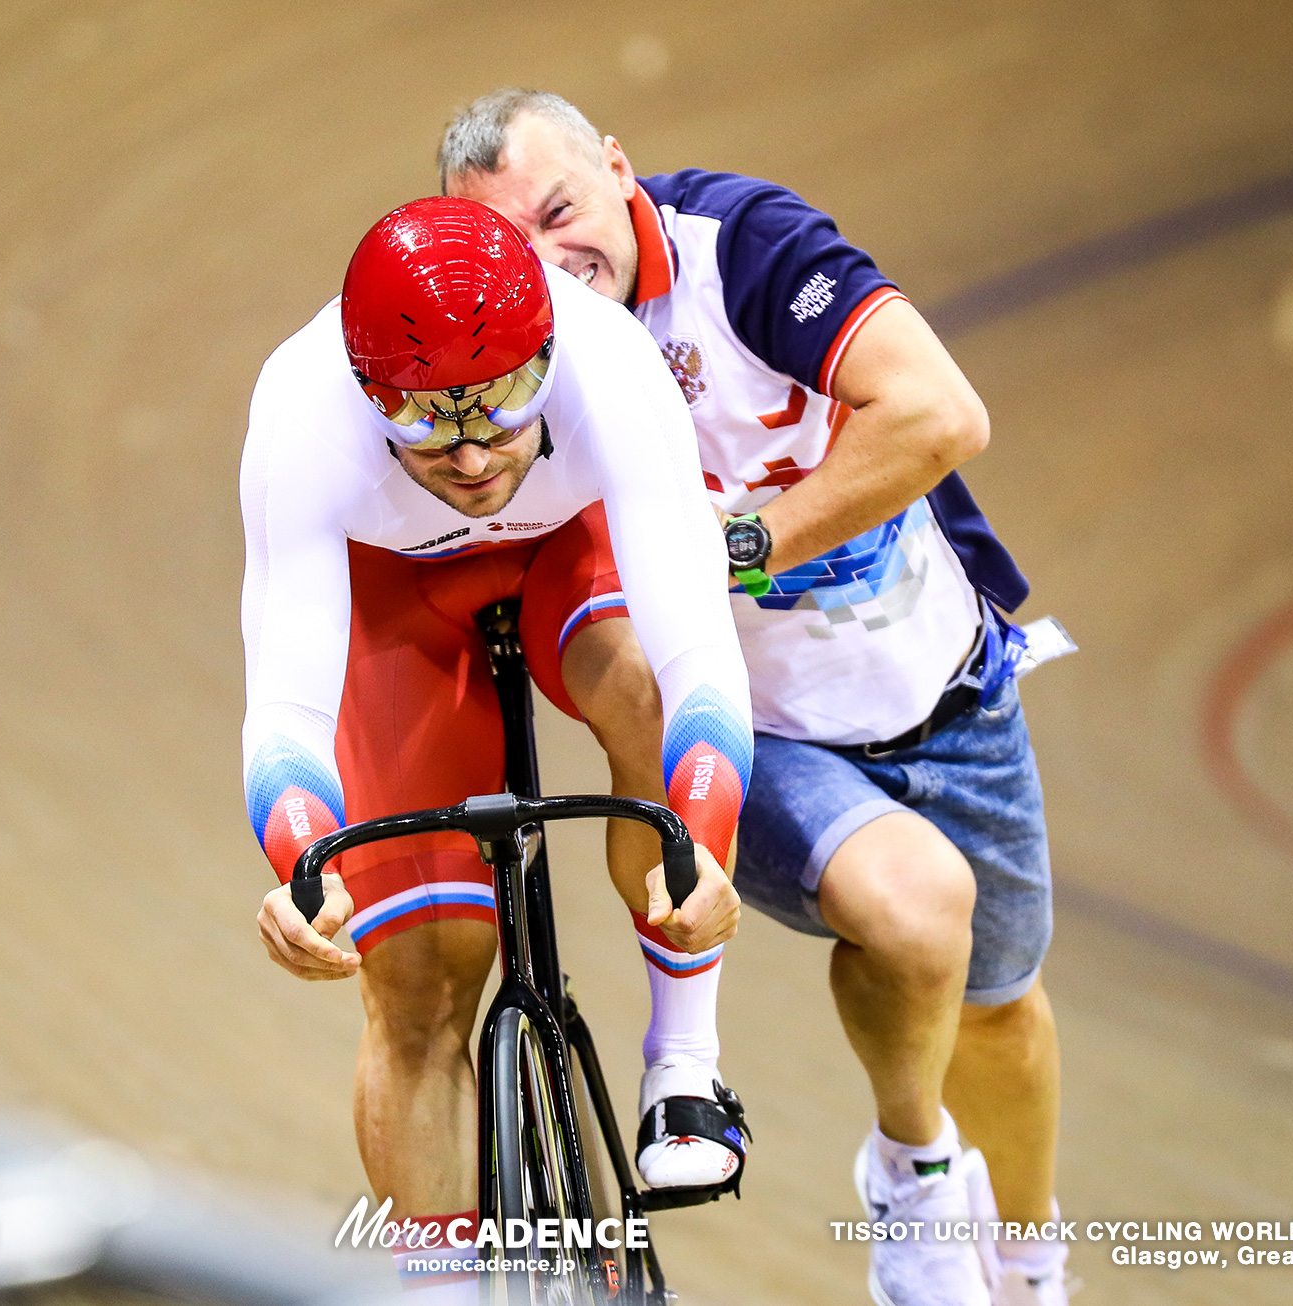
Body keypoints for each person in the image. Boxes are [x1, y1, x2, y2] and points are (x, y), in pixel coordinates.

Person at [441, 90, 1075, 1306]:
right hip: (761, 731)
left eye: (562, 211)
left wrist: (742, 548)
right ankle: (911, 1167)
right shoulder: (520, 354)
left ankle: (1032, 1259)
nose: (551, 258)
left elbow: (942, 413)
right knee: (912, 911)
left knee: (998, 1009)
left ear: (617, 167)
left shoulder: (742, 247)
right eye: (512, 246)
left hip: (949, 690)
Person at [241, 197, 758, 1299]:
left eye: (507, 408)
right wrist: (300, 863)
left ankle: (683, 1061)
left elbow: (700, 654)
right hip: (396, 600)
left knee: (649, 717)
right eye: (429, 425)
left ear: (550, 360)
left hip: (565, 549)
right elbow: (285, 710)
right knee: (419, 990)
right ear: (369, 395)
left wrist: (703, 835)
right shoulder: (300, 412)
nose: (473, 455)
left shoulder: (611, 366)